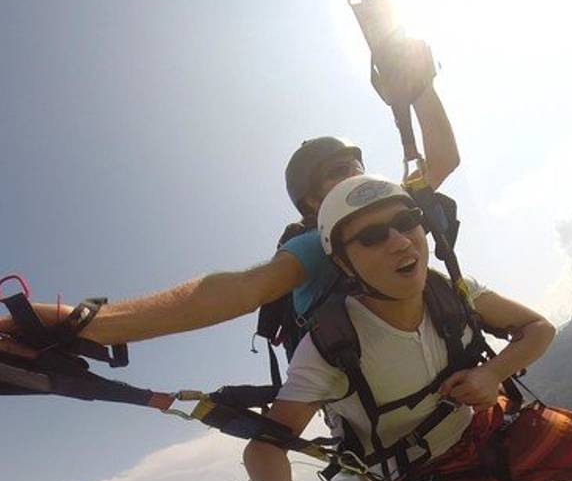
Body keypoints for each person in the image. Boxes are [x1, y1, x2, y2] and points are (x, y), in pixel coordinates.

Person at [0, 38, 459, 353]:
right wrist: (90, 322)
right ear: (312, 204)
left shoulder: (387, 213)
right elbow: (240, 289)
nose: (356, 176)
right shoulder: (315, 246)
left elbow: (442, 161)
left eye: (356, 166)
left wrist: (420, 87)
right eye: (339, 173)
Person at [243, 174, 572, 481]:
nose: (400, 242)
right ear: (343, 263)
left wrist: (492, 373)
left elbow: (538, 328)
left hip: (491, 424)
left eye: (406, 221)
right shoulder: (331, 345)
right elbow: (265, 446)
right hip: (428, 474)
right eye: (371, 237)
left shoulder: (449, 290)